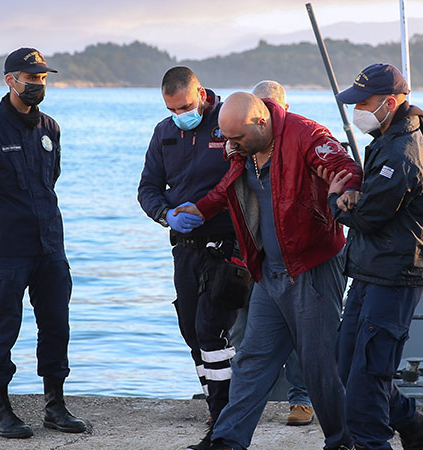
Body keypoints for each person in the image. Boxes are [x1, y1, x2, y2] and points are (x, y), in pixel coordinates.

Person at [174, 92, 362, 450]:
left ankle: (342, 441)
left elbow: (347, 168)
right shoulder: (244, 146)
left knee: (319, 365)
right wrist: (201, 209)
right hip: (270, 271)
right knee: (252, 359)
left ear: (260, 122)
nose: (230, 146)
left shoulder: (306, 135)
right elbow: (230, 185)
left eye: (237, 139)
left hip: (312, 268)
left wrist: (346, 190)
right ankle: (227, 440)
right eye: (227, 139)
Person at [0, 47, 86, 438]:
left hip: (50, 245)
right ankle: (1, 410)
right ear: (11, 80)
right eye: (31, 79)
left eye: (43, 78)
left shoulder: (50, 127)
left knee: (56, 325)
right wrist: (0, 227)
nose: (38, 85)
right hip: (9, 249)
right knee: (4, 325)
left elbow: (52, 179)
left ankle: (55, 406)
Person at [329, 63, 423, 450]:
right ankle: (415, 426)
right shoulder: (385, 138)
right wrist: (355, 197)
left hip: (396, 272)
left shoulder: (401, 152)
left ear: (390, 103)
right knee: (349, 365)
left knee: (367, 375)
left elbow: (368, 216)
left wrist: (335, 199)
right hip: (369, 268)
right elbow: (371, 205)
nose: (357, 109)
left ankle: (373, 442)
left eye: (364, 102)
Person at [137, 66, 238, 450]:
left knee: (212, 330)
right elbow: (147, 188)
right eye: (172, 108)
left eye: (185, 106)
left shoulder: (227, 120)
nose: (181, 114)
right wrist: (166, 214)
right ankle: (217, 408)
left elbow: (246, 178)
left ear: (199, 92)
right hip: (185, 247)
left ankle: (225, 424)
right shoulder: (165, 132)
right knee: (191, 330)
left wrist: (211, 211)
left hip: (228, 244)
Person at [229, 79, 314, 427]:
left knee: (298, 336)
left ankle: (302, 399)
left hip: (292, 262)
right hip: (250, 255)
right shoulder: (244, 149)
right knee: (242, 335)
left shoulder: (302, 142)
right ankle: (241, 409)